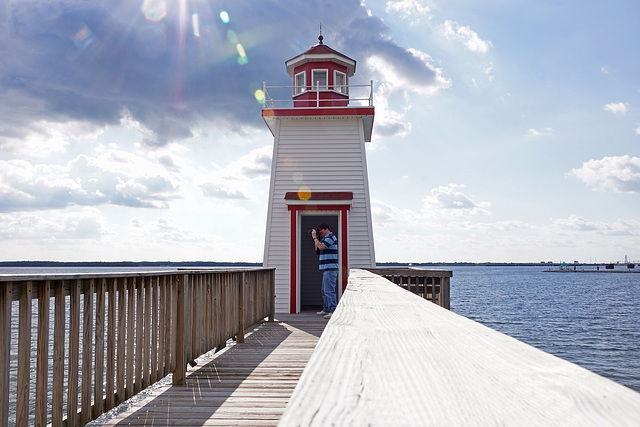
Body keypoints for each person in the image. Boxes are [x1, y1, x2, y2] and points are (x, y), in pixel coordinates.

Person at [311, 222, 338, 319]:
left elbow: (321, 246)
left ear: (326, 229)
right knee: (324, 290)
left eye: (320, 230)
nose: (320, 232)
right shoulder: (324, 239)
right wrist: (316, 238)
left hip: (330, 268)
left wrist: (315, 238)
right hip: (326, 268)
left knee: (329, 291)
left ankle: (333, 311)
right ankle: (326, 309)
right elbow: (317, 249)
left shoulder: (331, 237)